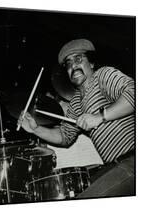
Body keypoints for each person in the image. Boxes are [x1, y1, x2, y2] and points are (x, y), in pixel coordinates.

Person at [18, 39, 135, 198]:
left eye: (78, 59)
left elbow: (135, 93)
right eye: (68, 63)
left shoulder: (103, 75)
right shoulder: (76, 103)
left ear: (91, 63)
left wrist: (100, 116)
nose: (73, 66)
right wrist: (35, 128)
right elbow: (64, 137)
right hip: (113, 165)